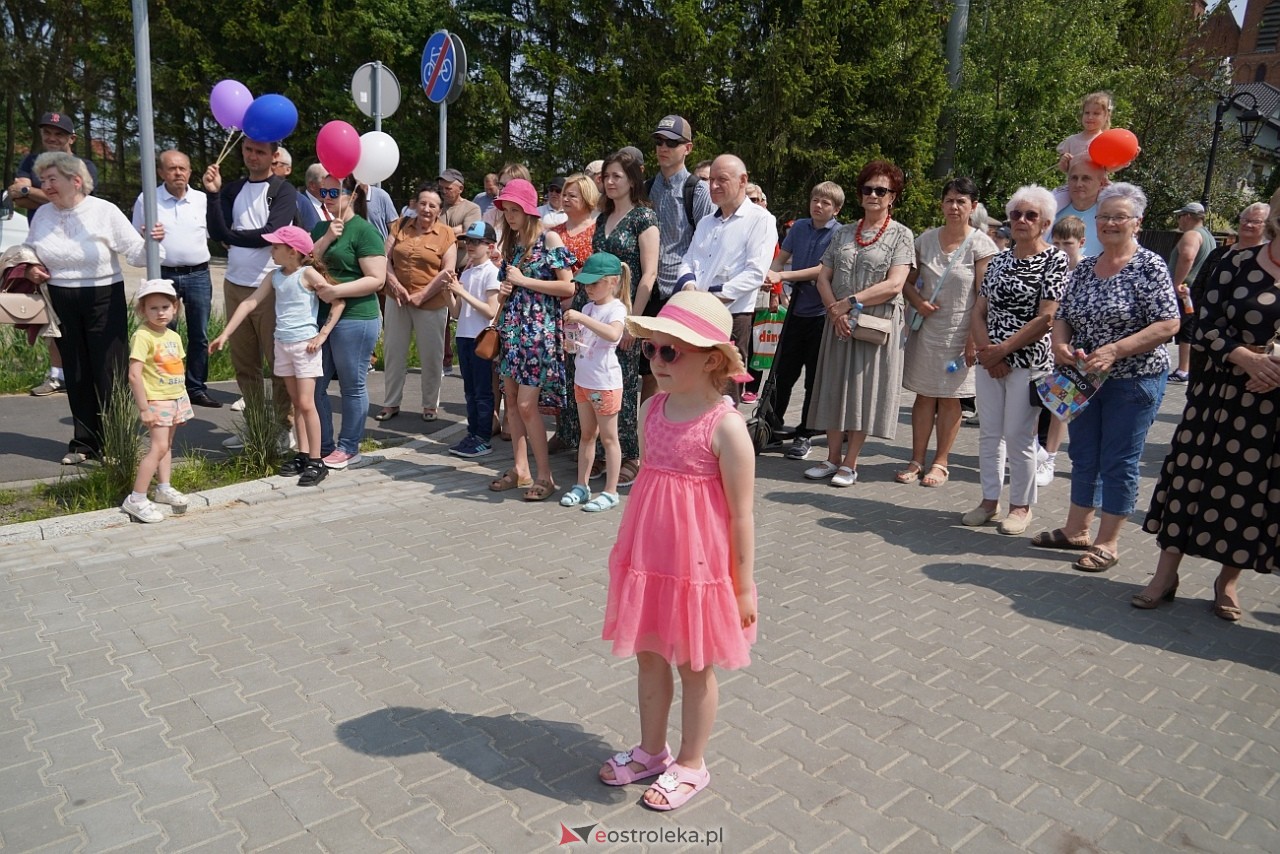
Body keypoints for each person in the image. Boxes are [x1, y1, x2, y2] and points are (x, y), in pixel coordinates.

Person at [598, 290, 756, 812]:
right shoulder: (651, 409)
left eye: (671, 352)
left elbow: (740, 513)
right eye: (652, 350)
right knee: (648, 654)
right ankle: (650, 750)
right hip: (651, 558)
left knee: (694, 663)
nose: (657, 361)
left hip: (700, 568)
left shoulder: (727, 427)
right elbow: (652, 481)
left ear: (712, 359)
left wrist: (744, 583)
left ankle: (692, 762)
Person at [1135, 189, 1280, 616]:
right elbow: (1203, 324)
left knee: (1246, 490)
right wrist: (1245, 359)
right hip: (1220, 392)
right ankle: (1164, 575)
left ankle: (1227, 582)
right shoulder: (1235, 262)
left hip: (1270, 405)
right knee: (1189, 480)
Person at [1032, 182, 1179, 572]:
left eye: (1119, 217)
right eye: (1104, 217)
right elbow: (1062, 316)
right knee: (1082, 454)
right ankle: (1076, 529)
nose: (1110, 223)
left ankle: (1108, 542)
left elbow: (1168, 323)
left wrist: (1116, 349)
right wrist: (1060, 345)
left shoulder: (1150, 267)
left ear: (1137, 223)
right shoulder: (1085, 267)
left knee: (1118, 461)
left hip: (1133, 381)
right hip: (1081, 380)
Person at [24, 152, 161, 464]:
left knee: (108, 371)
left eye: (52, 179)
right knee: (76, 371)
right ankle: (84, 443)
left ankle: (116, 442)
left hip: (102, 297)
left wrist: (153, 241)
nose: (46, 185)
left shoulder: (104, 211)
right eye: (43, 180)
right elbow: (31, 249)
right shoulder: (44, 214)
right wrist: (31, 267)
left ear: (75, 180)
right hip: (60, 299)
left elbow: (136, 254)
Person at [962, 186, 1067, 534]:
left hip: (1029, 362)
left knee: (1019, 436)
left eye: (1030, 215)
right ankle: (989, 501)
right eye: (1016, 214)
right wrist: (988, 353)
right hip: (991, 359)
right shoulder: (999, 259)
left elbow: (1046, 318)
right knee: (990, 434)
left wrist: (1002, 351)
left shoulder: (1055, 260)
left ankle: (1021, 507)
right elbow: (979, 309)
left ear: (1046, 222)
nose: (1021, 221)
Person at [803, 160, 914, 487]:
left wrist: (849, 303)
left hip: (872, 323)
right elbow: (824, 276)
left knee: (864, 392)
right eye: (868, 189)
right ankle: (832, 458)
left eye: (882, 190)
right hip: (838, 321)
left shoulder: (901, 235)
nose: (874, 195)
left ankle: (851, 463)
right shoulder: (844, 232)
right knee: (833, 388)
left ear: (892, 196)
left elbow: (895, 284)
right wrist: (835, 311)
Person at [211, 225, 345, 486]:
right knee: (296, 403)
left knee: (307, 404)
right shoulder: (274, 276)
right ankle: (303, 454)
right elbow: (250, 302)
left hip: (305, 346)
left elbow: (337, 301)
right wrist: (226, 333)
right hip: (282, 344)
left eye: (275, 247)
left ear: (292, 252)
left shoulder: (308, 274)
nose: (271, 251)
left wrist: (323, 335)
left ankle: (317, 461)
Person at [899, 177, 998, 488]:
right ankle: (916, 459)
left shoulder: (982, 244)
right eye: (949, 200)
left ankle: (941, 462)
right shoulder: (924, 241)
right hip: (926, 332)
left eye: (961, 201)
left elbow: (985, 296)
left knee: (951, 399)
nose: (954, 207)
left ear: (973, 207)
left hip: (961, 332)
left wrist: (973, 338)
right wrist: (918, 301)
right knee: (924, 395)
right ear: (941, 204)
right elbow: (904, 280)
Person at [203, 137, 299, 448]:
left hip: (270, 285)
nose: (252, 156)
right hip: (235, 284)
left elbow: (271, 234)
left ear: (274, 156)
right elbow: (216, 232)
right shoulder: (232, 189)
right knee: (245, 364)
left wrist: (232, 235)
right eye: (248, 150)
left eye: (260, 151)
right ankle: (256, 427)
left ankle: (283, 427)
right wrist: (214, 195)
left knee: (278, 362)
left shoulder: (283, 190)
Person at [487, 178, 575, 500]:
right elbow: (505, 291)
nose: (509, 217)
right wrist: (506, 290)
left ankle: (546, 476)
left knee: (526, 405)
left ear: (529, 210)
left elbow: (568, 288)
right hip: (513, 328)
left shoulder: (549, 239)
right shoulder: (513, 246)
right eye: (506, 210)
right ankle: (521, 469)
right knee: (511, 401)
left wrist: (525, 281)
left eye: (515, 210)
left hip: (539, 332)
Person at [10, 111, 99, 397]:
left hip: (80, 249)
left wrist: (32, 190)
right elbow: (15, 193)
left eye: (59, 134)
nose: (52, 138)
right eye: (47, 132)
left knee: (85, 312)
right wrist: (52, 192)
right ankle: (57, 376)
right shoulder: (30, 161)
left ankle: (89, 373)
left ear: (71, 138)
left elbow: (80, 196)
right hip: (45, 247)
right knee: (52, 313)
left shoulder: (85, 165)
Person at [677, 154, 777, 404]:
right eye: (711, 180)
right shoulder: (706, 222)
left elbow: (755, 273)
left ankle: (724, 441)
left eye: (722, 179)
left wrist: (711, 297)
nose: (713, 186)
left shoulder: (761, 220)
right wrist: (689, 286)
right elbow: (689, 259)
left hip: (731, 316)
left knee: (725, 390)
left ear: (743, 181)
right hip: (697, 313)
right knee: (697, 383)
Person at [308, 175, 387, 470]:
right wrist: (328, 236)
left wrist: (336, 291)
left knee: (352, 386)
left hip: (356, 318)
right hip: (320, 318)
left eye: (334, 191)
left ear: (352, 194)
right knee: (316, 385)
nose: (326, 196)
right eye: (322, 190)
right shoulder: (319, 227)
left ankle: (349, 447)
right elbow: (304, 262)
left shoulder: (365, 232)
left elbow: (377, 279)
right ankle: (325, 445)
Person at [132, 149, 220, 408]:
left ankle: (195, 387)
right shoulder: (147, 200)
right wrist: (147, 236)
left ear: (190, 172)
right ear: (160, 172)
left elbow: (215, 232)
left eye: (183, 168)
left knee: (199, 334)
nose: (178, 173)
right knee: (164, 333)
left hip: (198, 273)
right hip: (164, 275)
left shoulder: (202, 199)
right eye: (172, 168)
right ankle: (166, 386)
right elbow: (136, 239)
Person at [592, 150, 660, 486]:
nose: (610, 181)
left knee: (622, 384)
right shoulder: (601, 218)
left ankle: (630, 454)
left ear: (633, 179)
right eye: (606, 176)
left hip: (624, 312)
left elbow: (649, 275)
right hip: (594, 310)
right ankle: (600, 451)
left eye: (617, 175)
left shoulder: (644, 218)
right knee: (594, 381)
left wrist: (633, 319)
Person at [764, 181, 845, 460]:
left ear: (836, 209)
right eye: (815, 200)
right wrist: (771, 277)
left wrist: (783, 276)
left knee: (814, 378)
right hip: (796, 309)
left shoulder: (840, 234)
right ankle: (771, 429)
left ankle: (805, 434)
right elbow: (781, 258)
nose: (818, 206)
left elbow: (822, 270)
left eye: (825, 203)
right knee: (782, 373)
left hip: (822, 313)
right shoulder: (798, 227)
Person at [648, 115, 715, 406]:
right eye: (659, 141)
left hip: (679, 292)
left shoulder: (697, 190)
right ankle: (647, 436)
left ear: (687, 148)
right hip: (648, 289)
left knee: (678, 367)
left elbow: (706, 245)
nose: (663, 148)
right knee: (649, 368)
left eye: (672, 142)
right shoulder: (647, 187)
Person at [378, 185, 456, 422]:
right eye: (423, 203)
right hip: (398, 300)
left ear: (439, 210)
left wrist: (423, 295)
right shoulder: (400, 225)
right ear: (416, 205)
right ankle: (391, 403)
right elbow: (385, 258)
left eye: (432, 205)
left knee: (432, 356)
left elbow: (448, 271)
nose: (426, 208)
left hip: (431, 304)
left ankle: (430, 404)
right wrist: (395, 285)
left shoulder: (446, 234)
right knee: (394, 352)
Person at [560, 253, 632, 512]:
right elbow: (582, 341)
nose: (588, 288)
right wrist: (570, 342)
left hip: (604, 383)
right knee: (587, 435)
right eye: (586, 283)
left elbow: (614, 334)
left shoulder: (616, 308)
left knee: (609, 438)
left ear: (613, 282)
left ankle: (610, 491)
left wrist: (581, 318)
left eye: (595, 283)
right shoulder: (589, 308)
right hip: (583, 380)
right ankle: (582, 485)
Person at [120, 280, 192, 523]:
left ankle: (163, 487)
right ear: (142, 310)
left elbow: (177, 369)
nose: (160, 313)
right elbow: (134, 374)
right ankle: (136, 498)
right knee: (158, 447)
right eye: (153, 308)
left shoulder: (172, 335)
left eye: (165, 307)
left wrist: (182, 401)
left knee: (167, 445)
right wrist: (144, 407)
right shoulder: (142, 335)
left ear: (175, 308)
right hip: (156, 400)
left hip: (174, 398)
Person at [1182, 202, 1270, 381]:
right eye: (1245, 220)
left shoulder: (1267, 263)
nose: (1248, 224)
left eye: (1256, 222)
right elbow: (1200, 287)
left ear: (1268, 227)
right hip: (1208, 334)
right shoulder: (1219, 254)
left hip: (1244, 346)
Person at [548, 173, 600, 455]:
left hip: (590, 310)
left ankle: (590, 436)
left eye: (572, 195)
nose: (565, 199)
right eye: (564, 194)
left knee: (589, 371)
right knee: (564, 372)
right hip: (561, 312)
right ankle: (565, 431)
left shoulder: (598, 229)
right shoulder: (555, 231)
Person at [1036, 215, 1088, 487]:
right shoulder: (1050, 267)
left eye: (1066, 243)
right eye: (1055, 243)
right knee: (1037, 401)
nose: (1059, 249)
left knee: (1062, 405)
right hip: (1045, 344)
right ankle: (1036, 450)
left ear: (1081, 242)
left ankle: (1050, 458)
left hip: (1074, 347)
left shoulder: (1087, 271)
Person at [446, 221, 501, 458]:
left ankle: (483, 437)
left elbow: (490, 311)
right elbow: (457, 312)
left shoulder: (492, 272)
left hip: (481, 338)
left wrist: (461, 292)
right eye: (468, 241)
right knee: (469, 390)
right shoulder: (467, 272)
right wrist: (448, 291)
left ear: (490, 246)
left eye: (476, 242)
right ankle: (473, 433)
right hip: (464, 336)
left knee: (482, 390)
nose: (470, 246)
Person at [1167, 201, 1217, 383]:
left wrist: (1176, 283)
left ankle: (1181, 369)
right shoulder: (1208, 236)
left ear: (1187, 216)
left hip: (1184, 291)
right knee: (1188, 329)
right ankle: (1184, 369)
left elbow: (1187, 256)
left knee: (1170, 326)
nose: (1179, 220)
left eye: (1180, 216)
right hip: (1196, 292)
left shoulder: (1192, 235)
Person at [1053, 157, 1109, 258]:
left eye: (1086, 178)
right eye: (1074, 178)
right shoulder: (1052, 212)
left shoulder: (1109, 219)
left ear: (1102, 183)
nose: (1078, 184)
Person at [1055, 92, 1113, 174]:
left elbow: (1109, 168)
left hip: (1098, 185)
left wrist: (1125, 162)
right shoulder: (1071, 141)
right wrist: (1063, 161)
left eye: (1096, 113)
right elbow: (1064, 169)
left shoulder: (1106, 141)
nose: (1090, 117)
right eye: (1087, 113)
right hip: (1075, 185)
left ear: (1106, 116)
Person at [295, 164, 328, 232]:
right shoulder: (298, 207)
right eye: (326, 184)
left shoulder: (334, 203)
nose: (330, 188)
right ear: (312, 185)